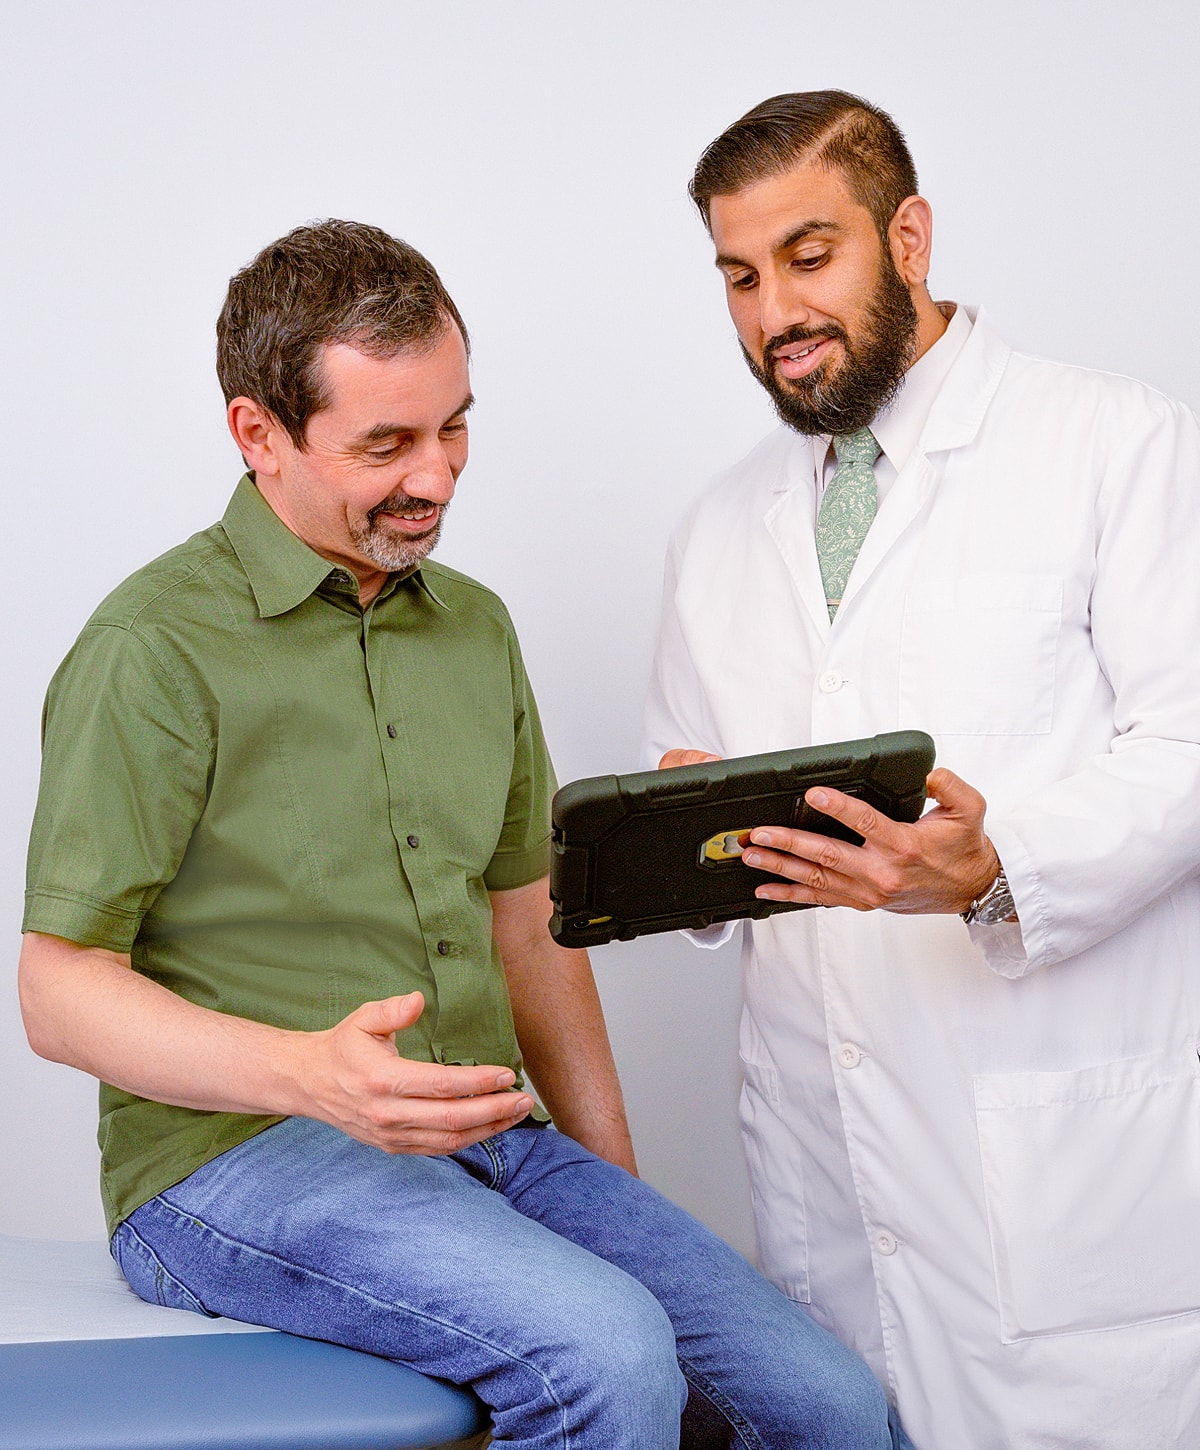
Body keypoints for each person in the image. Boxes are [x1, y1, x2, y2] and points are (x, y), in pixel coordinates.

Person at [18, 220, 906, 1450]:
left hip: (496, 1143)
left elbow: (529, 931)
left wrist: (613, 1201)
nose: (435, 478)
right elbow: (57, 993)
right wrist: (311, 1074)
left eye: (454, 427)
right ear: (258, 434)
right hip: (235, 1163)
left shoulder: (475, 631)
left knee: (832, 1408)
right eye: (385, 444)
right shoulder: (151, 649)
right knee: (606, 1358)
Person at [645, 91, 1200, 1450]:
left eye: (809, 255)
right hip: (828, 1178)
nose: (776, 311)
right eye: (739, 276)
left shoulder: (1114, 443)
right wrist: (683, 838)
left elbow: (1190, 743)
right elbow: (697, 818)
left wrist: (997, 864)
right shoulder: (717, 529)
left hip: (1062, 1162)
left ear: (909, 238)